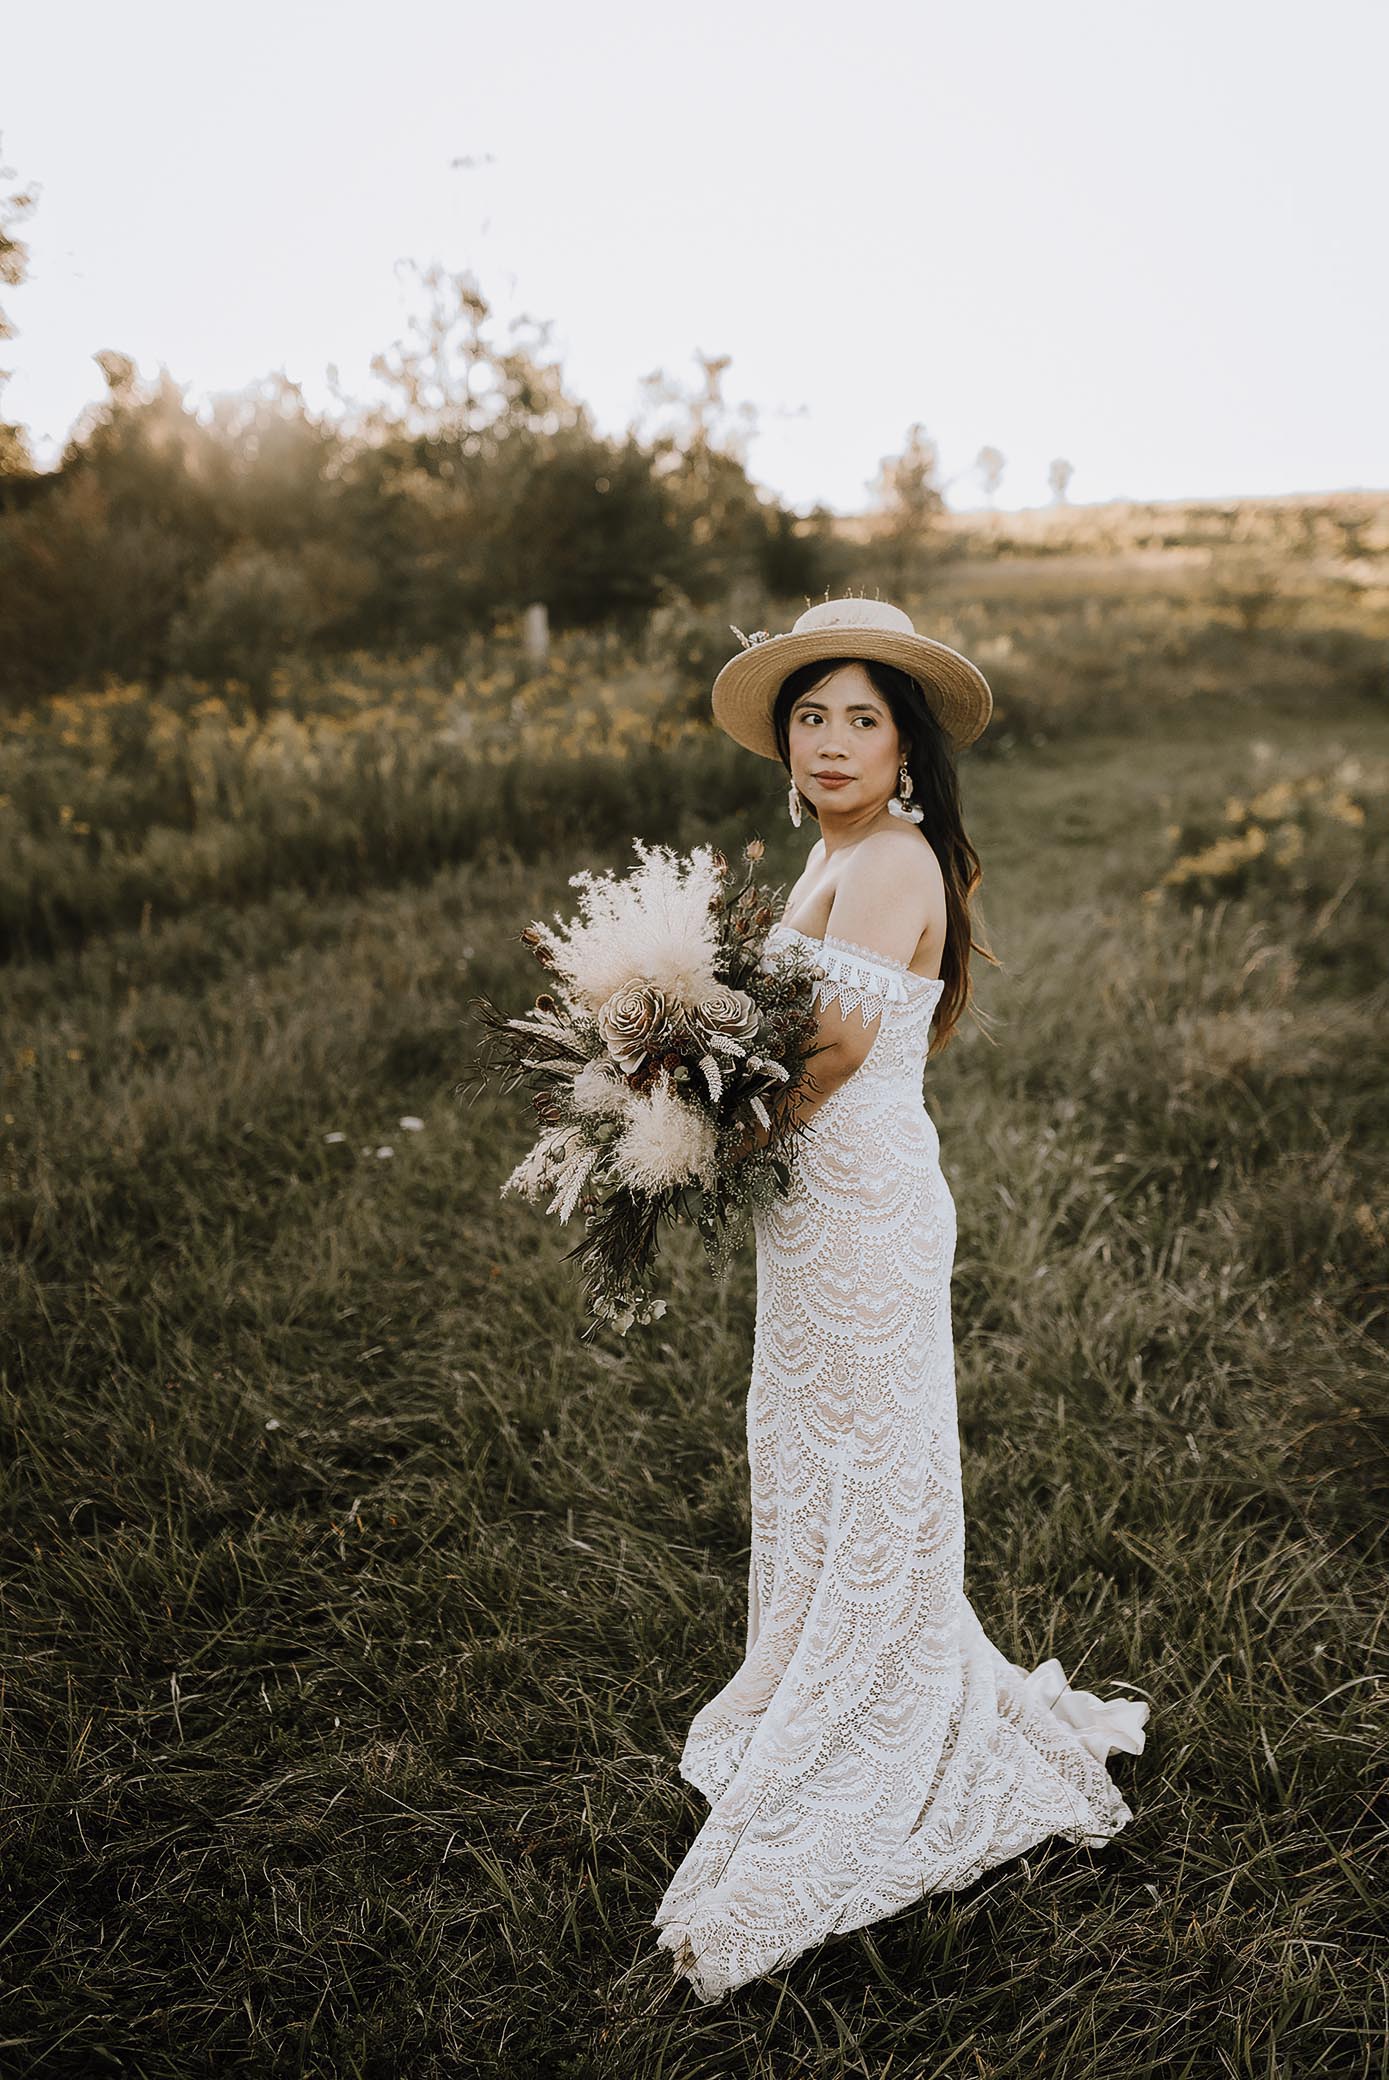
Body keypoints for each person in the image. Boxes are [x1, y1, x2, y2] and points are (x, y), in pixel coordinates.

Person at [651, 596, 1151, 2002]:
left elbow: (826, 1056)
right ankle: (821, 1668)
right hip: (817, 1217)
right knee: (814, 1445)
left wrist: (686, 1146)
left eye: (860, 717)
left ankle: (875, 1715)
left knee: (866, 1453)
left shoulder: (889, 865)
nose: (827, 739)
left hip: (861, 1211)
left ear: (906, 741)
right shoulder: (832, 851)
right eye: (810, 716)